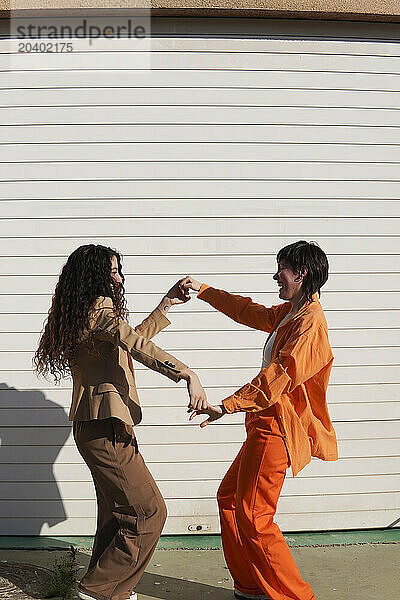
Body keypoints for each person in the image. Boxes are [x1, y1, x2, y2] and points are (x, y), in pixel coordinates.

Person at [34, 244, 207, 600]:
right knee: (149, 514)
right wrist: (185, 373)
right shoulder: (99, 307)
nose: (119, 277)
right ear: (94, 276)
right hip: (105, 426)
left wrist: (166, 304)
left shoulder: (84, 311)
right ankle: (98, 590)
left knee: (117, 518)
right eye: (112, 271)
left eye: (119, 270)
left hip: (96, 426)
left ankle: (111, 591)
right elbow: (136, 344)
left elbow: (129, 340)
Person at [180, 240, 338, 600]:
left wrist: (226, 405)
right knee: (231, 500)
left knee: (255, 515)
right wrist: (205, 291)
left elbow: (279, 376)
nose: (275, 275)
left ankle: (297, 596)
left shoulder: (310, 324)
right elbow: (247, 311)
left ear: (302, 272)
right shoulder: (290, 313)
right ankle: (251, 586)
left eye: (281, 268)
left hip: (278, 429)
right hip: (263, 424)